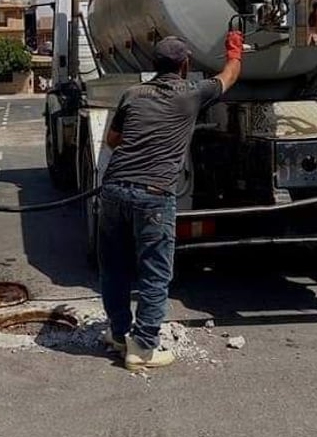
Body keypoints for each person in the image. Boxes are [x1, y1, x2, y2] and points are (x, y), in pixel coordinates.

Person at [98, 30, 244, 371]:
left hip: (114, 190)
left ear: (154, 64)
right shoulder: (191, 94)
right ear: (185, 65)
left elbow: (112, 140)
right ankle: (144, 347)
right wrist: (234, 48)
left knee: (115, 269)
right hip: (153, 195)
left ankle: (119, 335)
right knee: (154, 272)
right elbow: (229, 76)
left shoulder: (132, 94)